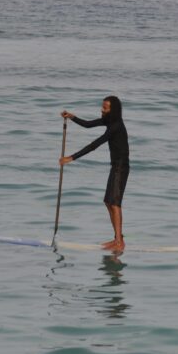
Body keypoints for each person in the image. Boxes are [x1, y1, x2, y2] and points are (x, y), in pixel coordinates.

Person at [59, 96, 129, 253]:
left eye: (105, 108)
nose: (102, 110)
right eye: (102, 107)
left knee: (115, 204)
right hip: (115, 167)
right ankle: (118, 238)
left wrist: (71, 157)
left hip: (121, 168)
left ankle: (119, 242)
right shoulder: (109, 121)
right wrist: (72, 117)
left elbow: (95, 145)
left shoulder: (116, 126)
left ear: (113, 110)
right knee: (108, 202)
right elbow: (88, 125)